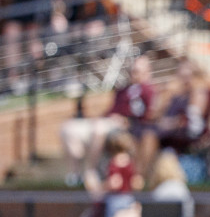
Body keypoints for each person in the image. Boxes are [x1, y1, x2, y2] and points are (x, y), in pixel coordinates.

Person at [59, 54, 156, 184]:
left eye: (137, 71)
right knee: (68, 128)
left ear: (147, 72)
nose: (134, 74)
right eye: (132, 71)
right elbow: (111, 111)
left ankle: (90, 172)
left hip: (124, 127)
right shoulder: (123, 90)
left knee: (99, 129)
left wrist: (126, 120)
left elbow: (148, 116)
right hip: (108, 122)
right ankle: (74, 174)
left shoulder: (148, 90)